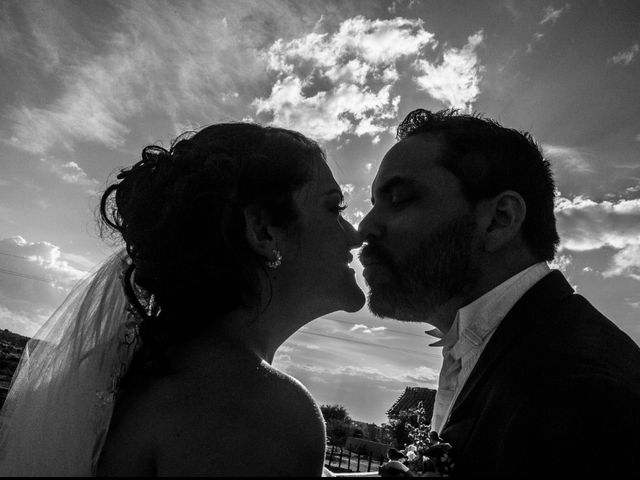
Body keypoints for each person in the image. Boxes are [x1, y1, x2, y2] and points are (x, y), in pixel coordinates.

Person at [0, 123, 364, 476]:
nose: (355, 235)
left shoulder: (161, 379)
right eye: (334, 209)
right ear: (263, 231)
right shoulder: (261, 411)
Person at [358, 109, 640, 476]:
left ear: (499, 219)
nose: (365, 227)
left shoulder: (580, 394)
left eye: (399, 198)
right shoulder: (504, 350)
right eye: (373, 203)